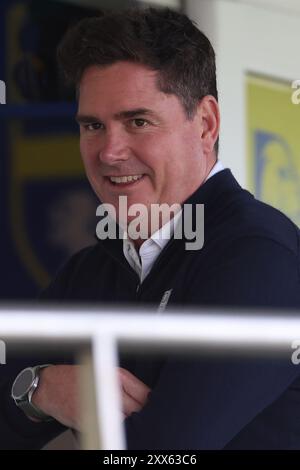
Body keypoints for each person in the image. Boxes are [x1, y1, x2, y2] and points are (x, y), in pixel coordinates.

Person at [2, 7, 300, 450]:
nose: (109, 152)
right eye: (93, 126)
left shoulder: (259, 256)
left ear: (206, 124)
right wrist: (43, 387)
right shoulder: (96, 267)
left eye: (137, 121)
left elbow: (165, 454)